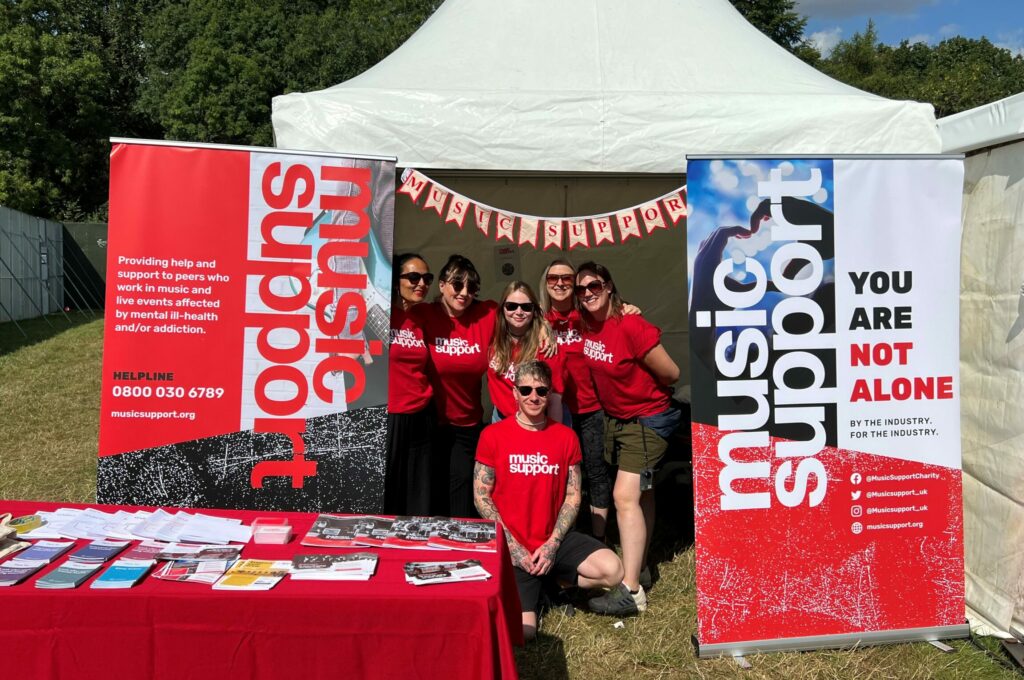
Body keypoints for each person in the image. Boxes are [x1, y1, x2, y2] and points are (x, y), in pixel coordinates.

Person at [474, 360, 631, 640]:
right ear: (514, 394)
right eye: (526, 389)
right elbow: (481, 494)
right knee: (526, 634)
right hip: (513, 545)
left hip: (552, 541)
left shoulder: (566, 437)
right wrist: (512, 546)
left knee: (613, 571)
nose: (533, 396)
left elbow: (573, 496)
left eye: (541, 390)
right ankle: (541, 589)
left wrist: (553, 543)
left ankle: (553, 583)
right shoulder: (492, 435)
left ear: (550, 394)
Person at [575, 261, 681, 615]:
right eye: (581, 288)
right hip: (618, 421)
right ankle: (642, 568)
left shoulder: (631, 324)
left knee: (624, 497)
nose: (587, 292)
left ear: (608, 287)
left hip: (647, 419)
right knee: (641, 495)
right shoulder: (586, 324)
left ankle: (631, 592)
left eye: (595, 286)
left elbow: (671, 373)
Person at [415, 254, 497, 518]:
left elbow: (524, 311)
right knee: (430, 489)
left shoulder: (486, 314)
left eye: (471, 288)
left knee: (461, 488)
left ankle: (460, 548)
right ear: (441, 285)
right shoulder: (423, 314)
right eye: (457, 285)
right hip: (428, 422)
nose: (464, 293)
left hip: (467, 425)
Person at [384, 253, 438, 515]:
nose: (421, 284)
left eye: (427, 278)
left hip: (422, 413)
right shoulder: (381, 314)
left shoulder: (423, 317)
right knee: (390, 488)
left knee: (419, 490)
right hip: (391, 415)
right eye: (414, 277)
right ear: (396, 280)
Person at [487, 281, 565, 423]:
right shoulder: (493, 334)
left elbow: (555, 398)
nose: (519, 312)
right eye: (511, 306)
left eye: (526, 307)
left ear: (534, 310)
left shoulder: (545, 347)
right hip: (500, 419)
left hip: (536, 422)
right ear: (503, 309)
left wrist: (554, 438)